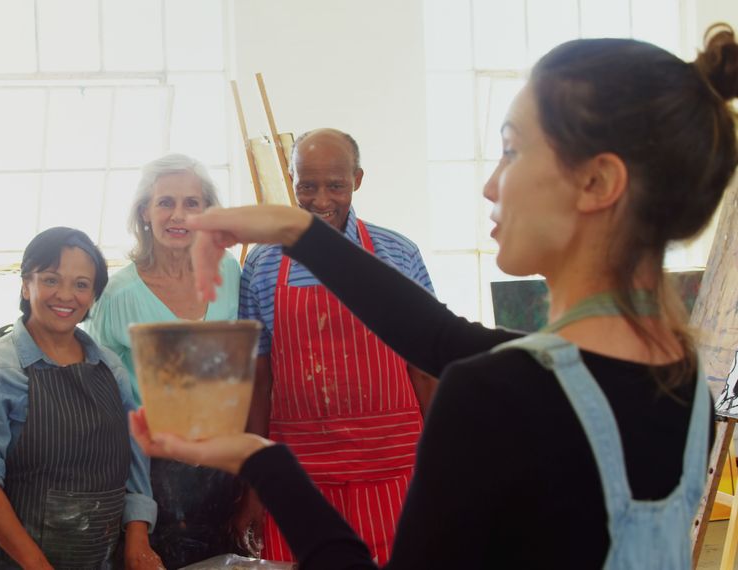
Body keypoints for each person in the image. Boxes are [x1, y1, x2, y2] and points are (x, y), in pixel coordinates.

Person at [132, 25, 738, 569]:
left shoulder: (494, 397)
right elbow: (440, 335)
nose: (490, 183)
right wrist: (294, 229)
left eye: (511, 149)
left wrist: (264, 464)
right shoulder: (684, 391)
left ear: (598, 182)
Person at [236, 128, 435, 563]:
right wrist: (255, 484)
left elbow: (425, 368)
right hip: (298, 479)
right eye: (307, 185)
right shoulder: (263, 264)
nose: (321, 199)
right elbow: (259, 379)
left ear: (358, 180)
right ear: (292, 182)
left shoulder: (398, 255)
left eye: (335, 185)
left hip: (396, 472)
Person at [0, 227, 162, 570]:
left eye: (81, 284)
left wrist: (137, 540)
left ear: (93, 295)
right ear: (25, 284)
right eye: (50, 279)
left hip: (95, 557)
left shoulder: (111, 369)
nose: (65, 295)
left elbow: (136, 464)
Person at [88, 154, 242, 568]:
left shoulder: (229, 274)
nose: (179, 215)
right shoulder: (119, 294)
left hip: (222, 468)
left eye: (192, 203)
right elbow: (103, 400)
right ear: (145, 212)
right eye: (165, 203)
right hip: (150, 475)